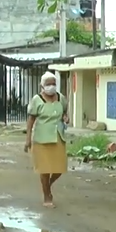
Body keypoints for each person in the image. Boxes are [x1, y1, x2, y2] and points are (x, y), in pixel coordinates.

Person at [24, 71, 69, 208]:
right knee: (44, 169)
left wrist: (66, 118)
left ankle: (47, 185)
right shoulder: (37, 100)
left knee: (59, 168)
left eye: (53, 84)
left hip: (58, 137)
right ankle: (47, 196)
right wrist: (28, 140)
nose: (51, 87)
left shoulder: (61, 98)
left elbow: (65, 113)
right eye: (48, 84)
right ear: (42, 86)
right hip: (41, 140)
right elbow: (31, 120)